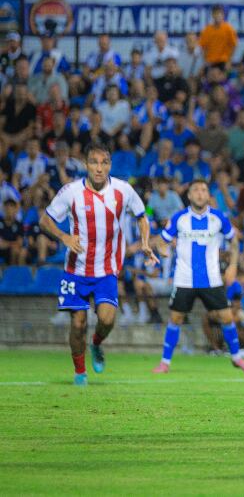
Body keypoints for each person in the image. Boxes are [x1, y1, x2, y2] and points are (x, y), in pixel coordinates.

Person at [39, 143, 156, 386]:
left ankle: (96, 343)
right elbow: (45, 220)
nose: (99, 168)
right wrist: (64, 237)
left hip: (107, 271)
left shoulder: (123, 190)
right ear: (86, 165)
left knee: (107, 320)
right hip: (75, 271)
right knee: (78, 323)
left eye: (104, 163)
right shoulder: (71, 191)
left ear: (110, 165)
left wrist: (145, 242)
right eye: (94, 162)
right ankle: (80, 372)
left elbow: (142, 216)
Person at [152, 180, 244, 375]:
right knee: (175, 318)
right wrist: (163, 250)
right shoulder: (179, 218)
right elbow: (161, 241)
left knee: (226, 317)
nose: (200, 193)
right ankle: (165, 363)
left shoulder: (219, 218)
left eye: (204, 190)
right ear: (189, 195)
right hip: (184, 278)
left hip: (212, 278)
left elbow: (233, 241)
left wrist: (233, 266)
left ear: (208, 195)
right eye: (196, 190)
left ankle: (236, 358)